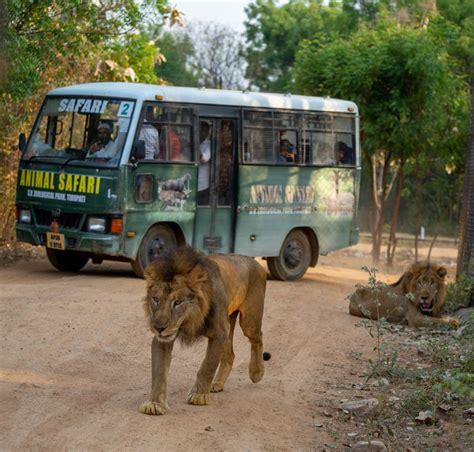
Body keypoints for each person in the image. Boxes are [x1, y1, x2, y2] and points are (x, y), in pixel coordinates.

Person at [197, 121, 211, 205]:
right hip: (193, 181)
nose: (201, 133)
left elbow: (205, 159)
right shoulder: (191, 142)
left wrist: (195, 147)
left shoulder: (209, 145)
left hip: (203, 185)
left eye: (203, 131)